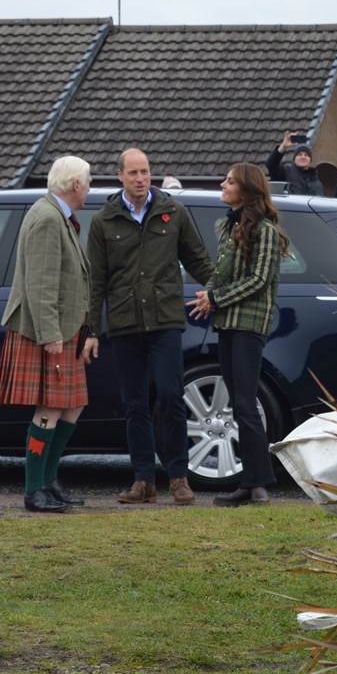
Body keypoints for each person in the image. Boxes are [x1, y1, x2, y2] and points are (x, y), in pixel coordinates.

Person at [85, 148, 215, 506]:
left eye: (145, 172)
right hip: (125, 324)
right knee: (135, 404)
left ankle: (178, 478)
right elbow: (96, 280)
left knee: (172, 396)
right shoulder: (104, 220)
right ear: (120, 176)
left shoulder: (173, 211)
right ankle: (143, 481)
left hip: (165, 321)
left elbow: (198, 259)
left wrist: (221, 290)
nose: (141, 178)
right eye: (133, 173)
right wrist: (92, 330)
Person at [0, 155, 92, 513]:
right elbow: (41, 283)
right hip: (47, 331)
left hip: (65, 329)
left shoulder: (58, 216)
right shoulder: (48, 218)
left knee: (72, 405)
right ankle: (34, 489)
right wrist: (51, 334)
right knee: (49, 407)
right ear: (76, 185)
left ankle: (49, 481)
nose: (90, 187)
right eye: (89, 181)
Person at [187, 162, 289, 507]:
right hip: (228, 324)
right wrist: (207, 297)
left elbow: (259, 280)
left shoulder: (266, 231)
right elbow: (222, 273)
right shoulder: (228, 226)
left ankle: (259, 486)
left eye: (230, 181)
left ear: (246, 190)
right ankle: (249, 483)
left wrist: (216, 298)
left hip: (249, 326)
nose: (223, 184)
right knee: (238, 404)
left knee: (246, 405)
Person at [262, 131, 322, 196]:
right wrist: (283, 146)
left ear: (310, 160)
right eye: (299, 154)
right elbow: (271, 164)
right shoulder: (286, 172)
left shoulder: (316, 182)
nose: (303, 157)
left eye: (306, 155)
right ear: (294, 159)